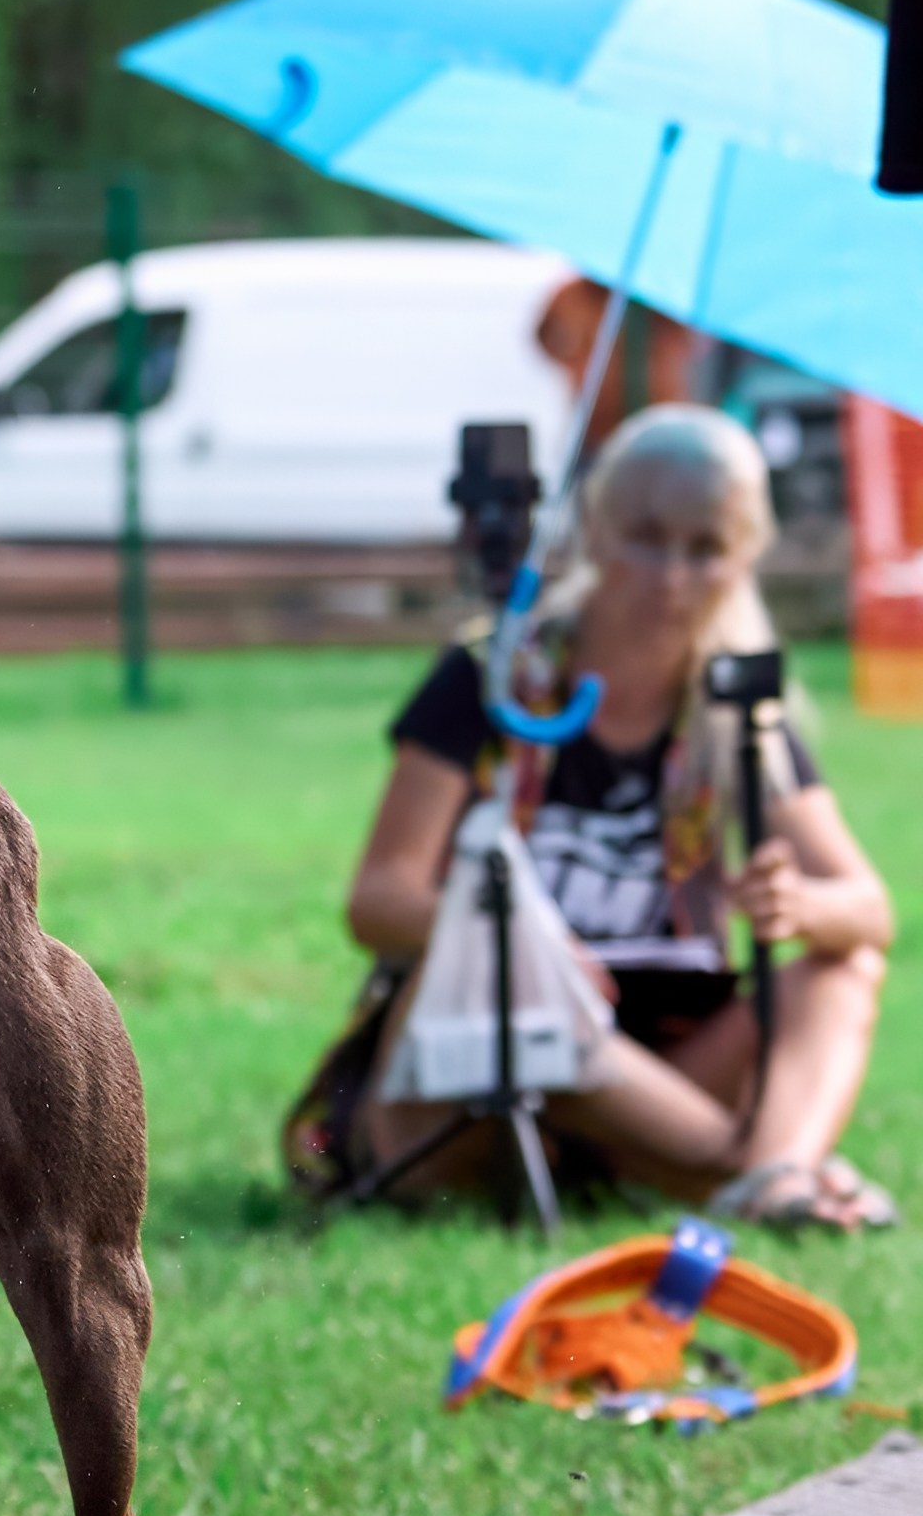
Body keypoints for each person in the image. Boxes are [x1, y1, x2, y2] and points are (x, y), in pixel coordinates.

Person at [342, 403, 896, 1229]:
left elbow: (869, 910)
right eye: (646, 536)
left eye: (706, 549)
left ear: (745, 557)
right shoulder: (491, 675)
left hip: (664, 1056)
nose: (671, 577)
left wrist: (800, 906)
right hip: (482, 1059)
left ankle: (760, 1171)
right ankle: (764, 1172)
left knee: (839, 967)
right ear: (594, 528)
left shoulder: (737, 709)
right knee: (523, 987)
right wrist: (536, 945)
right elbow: (380, 901)